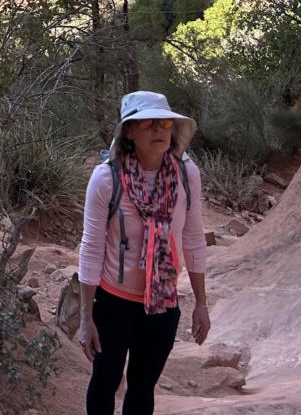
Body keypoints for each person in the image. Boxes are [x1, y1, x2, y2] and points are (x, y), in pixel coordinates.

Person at [76, 91, 210, 414]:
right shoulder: (106, 179)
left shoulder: (186, 176)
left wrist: (201, 304)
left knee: (142, 386)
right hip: (112, 303)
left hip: (162, 304)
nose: (158, 129)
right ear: (129, 133)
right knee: (105, 380)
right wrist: (85, 316)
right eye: (146, 123)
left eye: (164, 122)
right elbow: (91, 248)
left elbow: (193, 238)